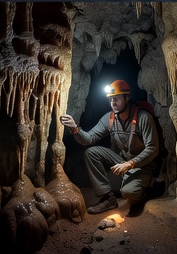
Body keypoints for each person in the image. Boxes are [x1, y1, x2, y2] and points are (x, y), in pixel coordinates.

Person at [60, 79, 158, 214]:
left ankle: (147, 187)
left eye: (116, 99)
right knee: (91, 152)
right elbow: (88, 139)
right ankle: (108, 198)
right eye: (111, 100)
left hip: (142, 166)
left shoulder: (143, 118)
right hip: (122, 162)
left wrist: (130, 164)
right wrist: (75, 129)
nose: (113, 103)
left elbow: (152, 148)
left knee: (128, 193)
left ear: (127, 98)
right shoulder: (110, 118)